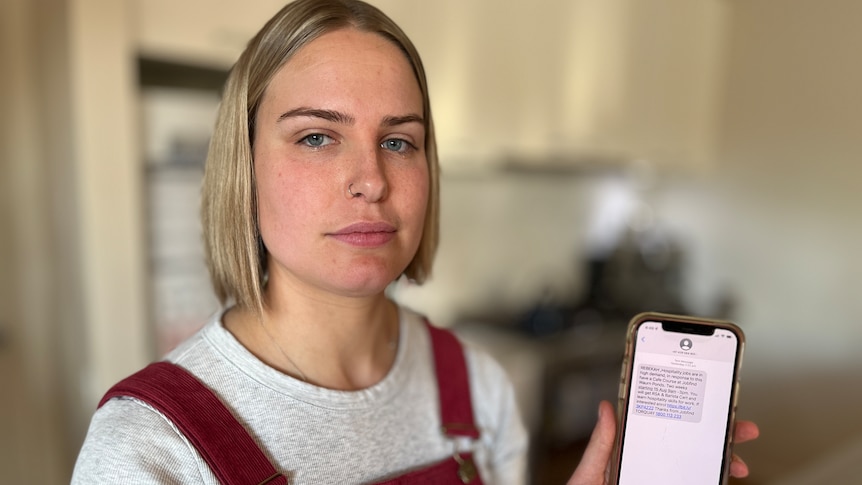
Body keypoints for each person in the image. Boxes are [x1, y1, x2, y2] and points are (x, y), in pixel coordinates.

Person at [72, 0, 758, 483]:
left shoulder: (479, 387)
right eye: (317, 136)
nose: (371, 179)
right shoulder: (150, 445)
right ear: (242, 166)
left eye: (398, 141)